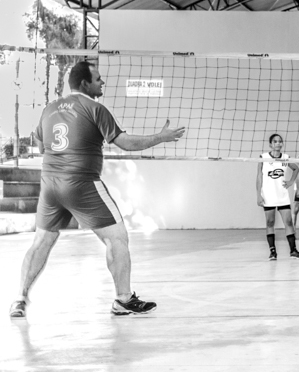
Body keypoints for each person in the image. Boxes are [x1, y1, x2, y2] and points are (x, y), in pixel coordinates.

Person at [9, 61, 185, 319]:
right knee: (117, 238)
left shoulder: (49, 109)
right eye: (98, 79)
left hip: (50, 185)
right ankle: (123, 299)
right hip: (82, 184)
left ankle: (19, 299)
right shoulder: (95, 109)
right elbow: (126, 143)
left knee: (42, 241)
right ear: (84, 83)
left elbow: (40, 143)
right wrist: (161, 137)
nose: (102, 82)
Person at [257, 134, 299, 261]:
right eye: (275, 141)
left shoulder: (285, 157)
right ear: (270, 144)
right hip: (268, 195)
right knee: (270, 222)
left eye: (280, 141)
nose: (278, 143)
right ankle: (273, 252)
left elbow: (296, 168)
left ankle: (293, 250)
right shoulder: (263, 157)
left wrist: (291, 181)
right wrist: (258, 195)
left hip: (282, 195)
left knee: (288, 221)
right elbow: (259, 176)